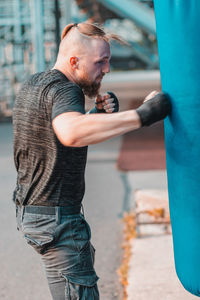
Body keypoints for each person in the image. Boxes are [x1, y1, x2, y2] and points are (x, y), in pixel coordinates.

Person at [13, 22, 171, 300]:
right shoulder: (66, 91)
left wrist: (96, 116)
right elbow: (70, 133)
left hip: (33, 213)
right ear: (74, 61)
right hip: (57, 221)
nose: (107, 70)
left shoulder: (34, 83)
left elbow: (55, 139)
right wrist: (142, 115)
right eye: (101, 62)